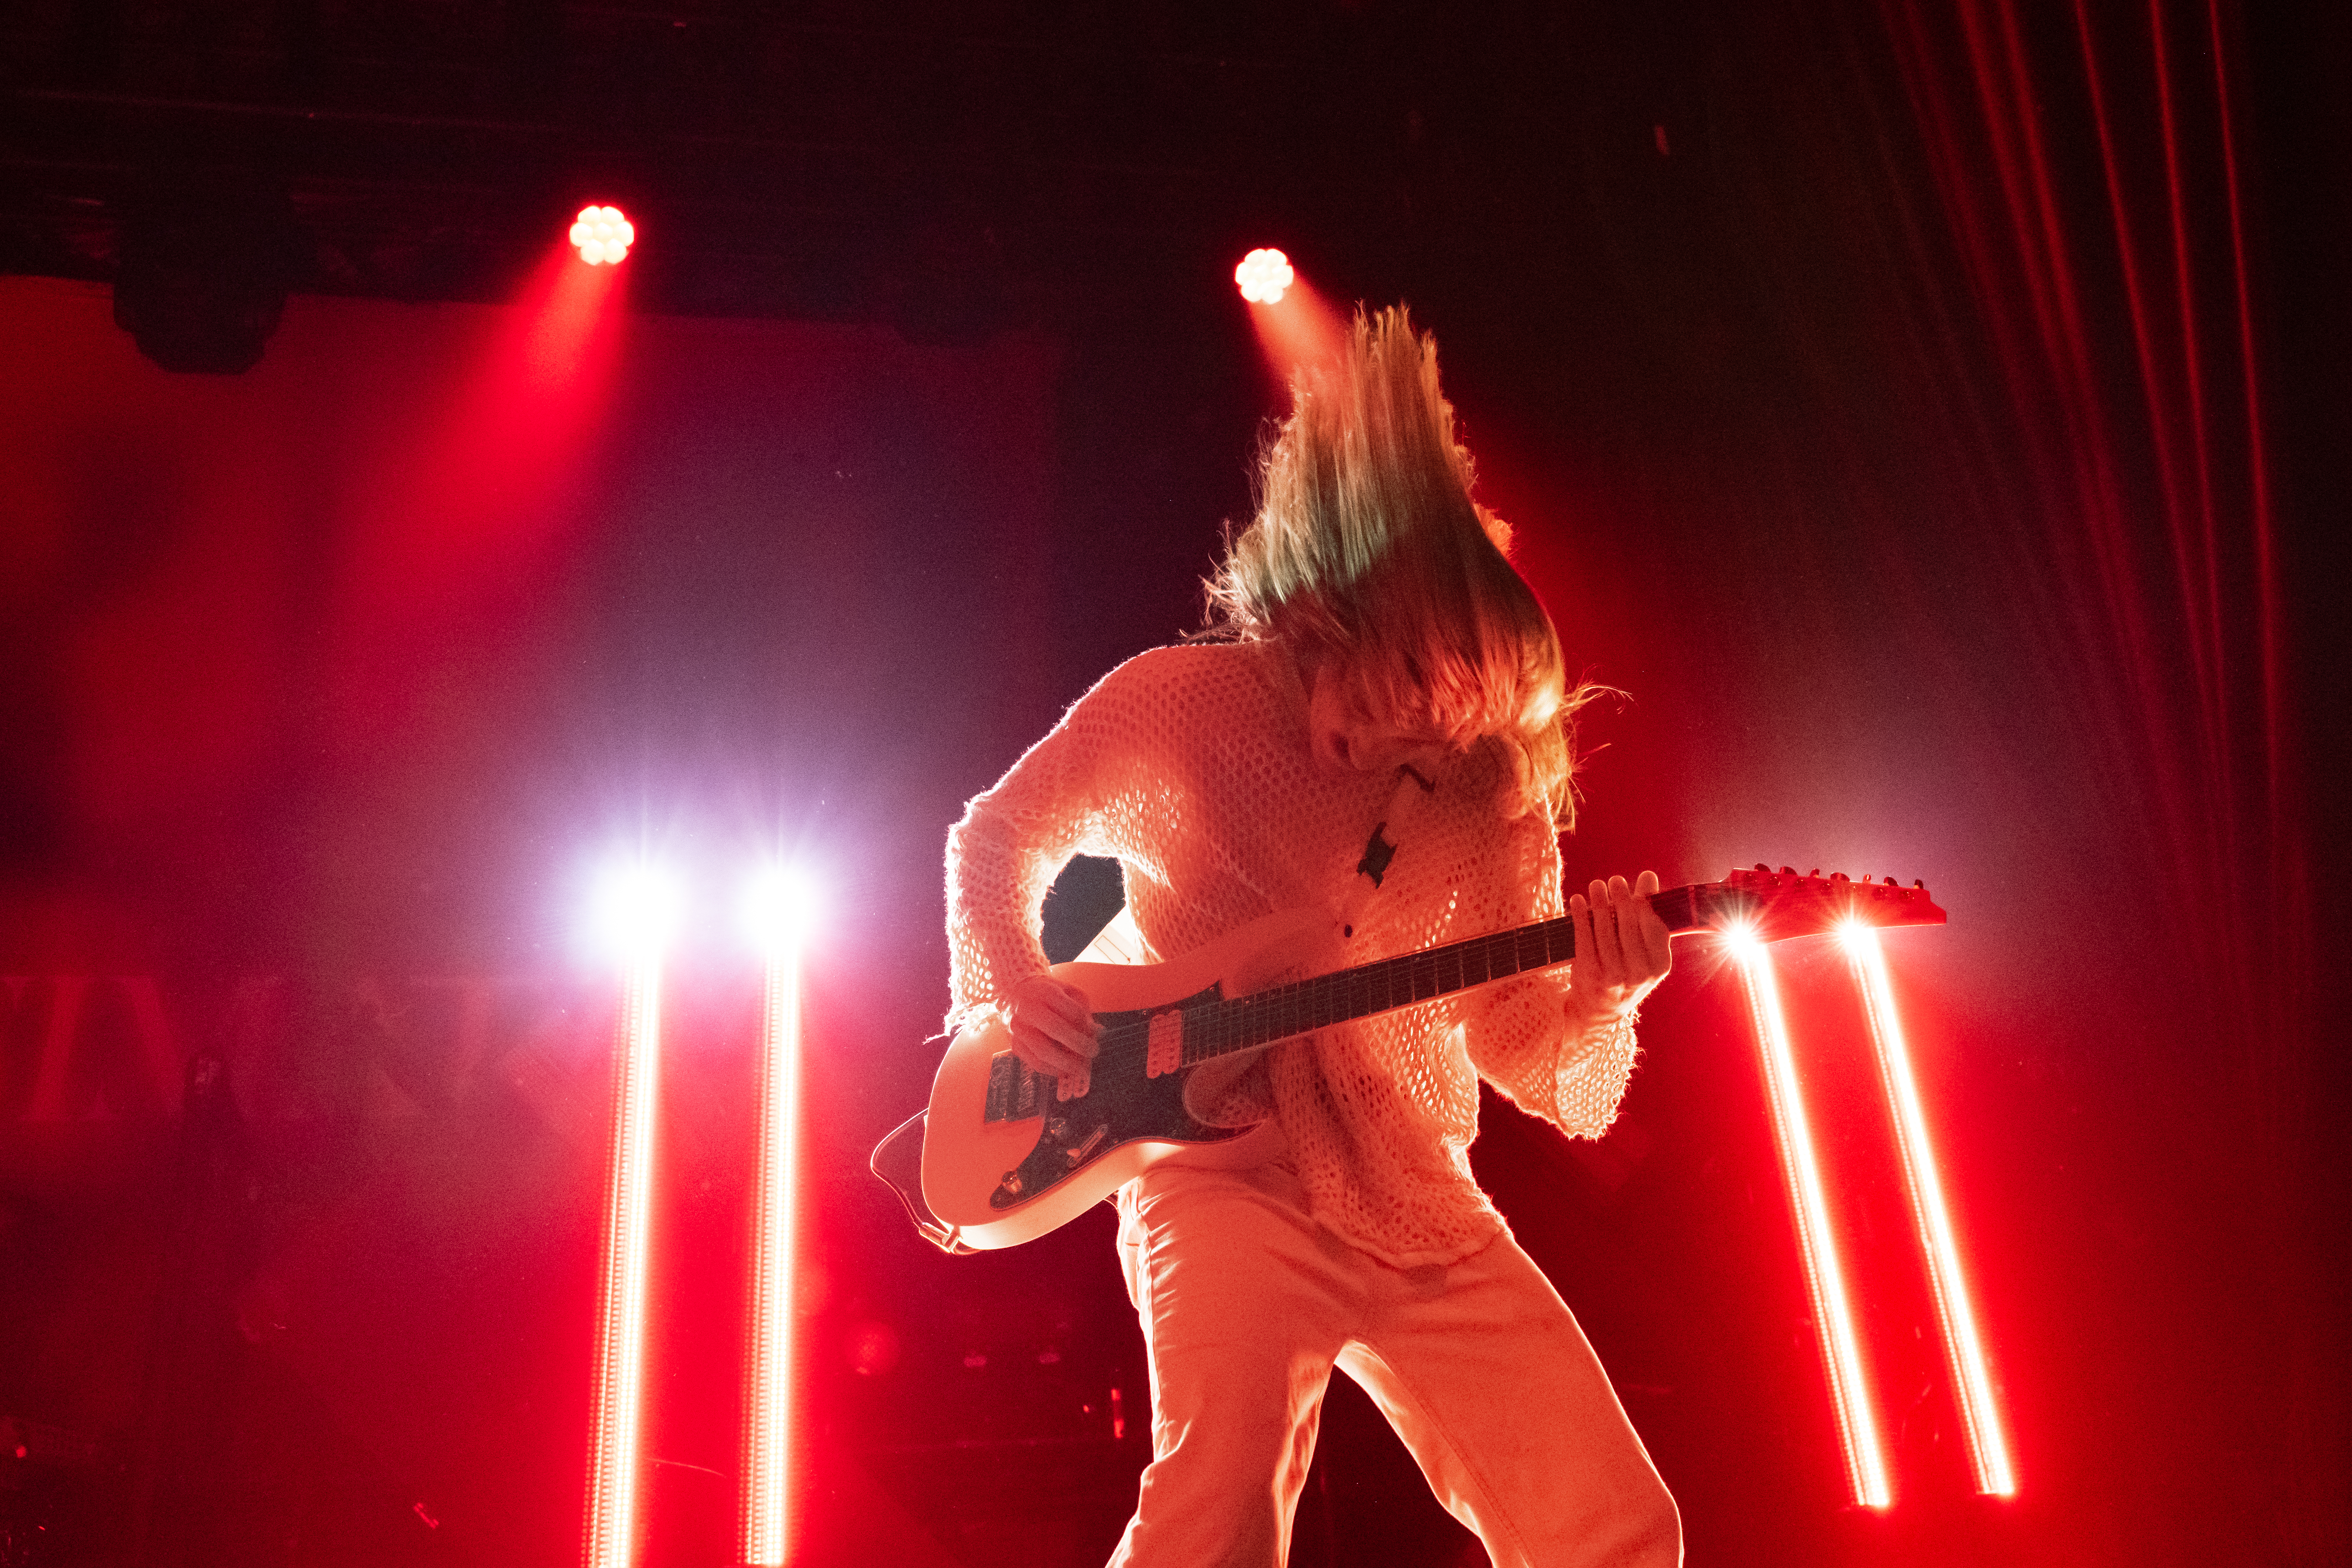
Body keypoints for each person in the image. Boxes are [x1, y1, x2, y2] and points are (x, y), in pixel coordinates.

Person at [943, 307, 1681, 1567]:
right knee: (1214, 1520)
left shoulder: (1482, 795)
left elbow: (1521, 1044)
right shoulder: (1179, 705)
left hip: (1413, 1188)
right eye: (1379, 705)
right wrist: (1016, 986)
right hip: (1217, 1179)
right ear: (1325, 620)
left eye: (1425, 732)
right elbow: (998, 835)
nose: (1391, 748)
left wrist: (1606, 998)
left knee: (1612, 1525)